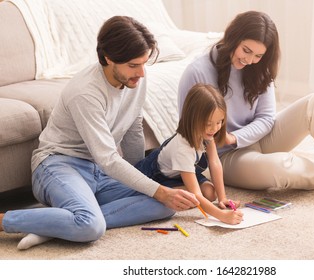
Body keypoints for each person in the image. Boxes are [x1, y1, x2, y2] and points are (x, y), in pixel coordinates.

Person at [0, 16, 199, 250]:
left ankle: (57, 223)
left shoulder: (135, 80)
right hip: (59, 166)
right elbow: (108, 158)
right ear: (108, 59)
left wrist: (143, 181)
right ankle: (7, 220)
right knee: (91, 227)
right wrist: (156, 189)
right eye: (134, 65)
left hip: (99, 172)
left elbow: (133, 128)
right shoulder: (86, 92)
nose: (142, 73)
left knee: (167, 203)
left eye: (144, 63)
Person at [178, 11, 314, 206]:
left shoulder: (259, 69)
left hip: (252, 139)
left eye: (258, 55)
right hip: (225, 157)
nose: (249, 60)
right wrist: (224, 143)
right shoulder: (197, 72)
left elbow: (266, 119)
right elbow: (188, 129)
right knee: (279, 168)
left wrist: (234, 137)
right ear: (233, 37)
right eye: (246, 50)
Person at [135, 83, 243, 225]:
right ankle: (162, 192)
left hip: (181, 173)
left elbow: (214, 162)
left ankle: (186, 192)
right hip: (157, 175)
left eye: (219, 122)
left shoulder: (207, 134)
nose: (214, 129)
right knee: (191, 198)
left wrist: (222, 198)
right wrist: (221, 215)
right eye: (208, 123)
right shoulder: (183, 149)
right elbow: (196, 195)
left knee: (211, 194)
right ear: (193, 119)